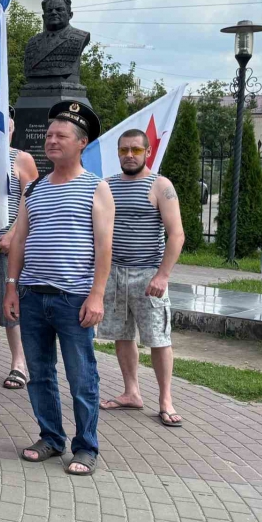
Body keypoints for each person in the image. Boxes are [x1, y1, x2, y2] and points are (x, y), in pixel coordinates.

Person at [5, 101, 114, 477]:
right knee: (40, 373)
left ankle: (86, 447)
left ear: (81, 142)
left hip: (74, 300)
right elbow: (19, 239)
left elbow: (104, 247)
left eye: (60, 136)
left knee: (82, 377)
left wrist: (97, 295)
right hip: (33, 296)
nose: (51, 140)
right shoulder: (34, 187)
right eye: (49, 135)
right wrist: (11, 287)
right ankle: (51, 438)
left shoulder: (95, 187)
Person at [99, 129, 186, 426]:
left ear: (147, 152)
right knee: (122, 335)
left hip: (148, 275)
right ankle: (131, 393)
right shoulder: (107, 185)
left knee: (159, 339)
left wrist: (163, 275)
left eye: (136, 150)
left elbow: (176, 234)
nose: (129, 155)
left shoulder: (160, 185)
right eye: (124, 150)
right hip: (113, 274)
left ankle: (166, 400)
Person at [0, 108, 38, 389]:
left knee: (9, 307)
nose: (3, 131)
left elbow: (31, 200)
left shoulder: (21, 158)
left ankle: (19, 363)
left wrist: (13, 233)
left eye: (8, 126)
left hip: (4, 244)